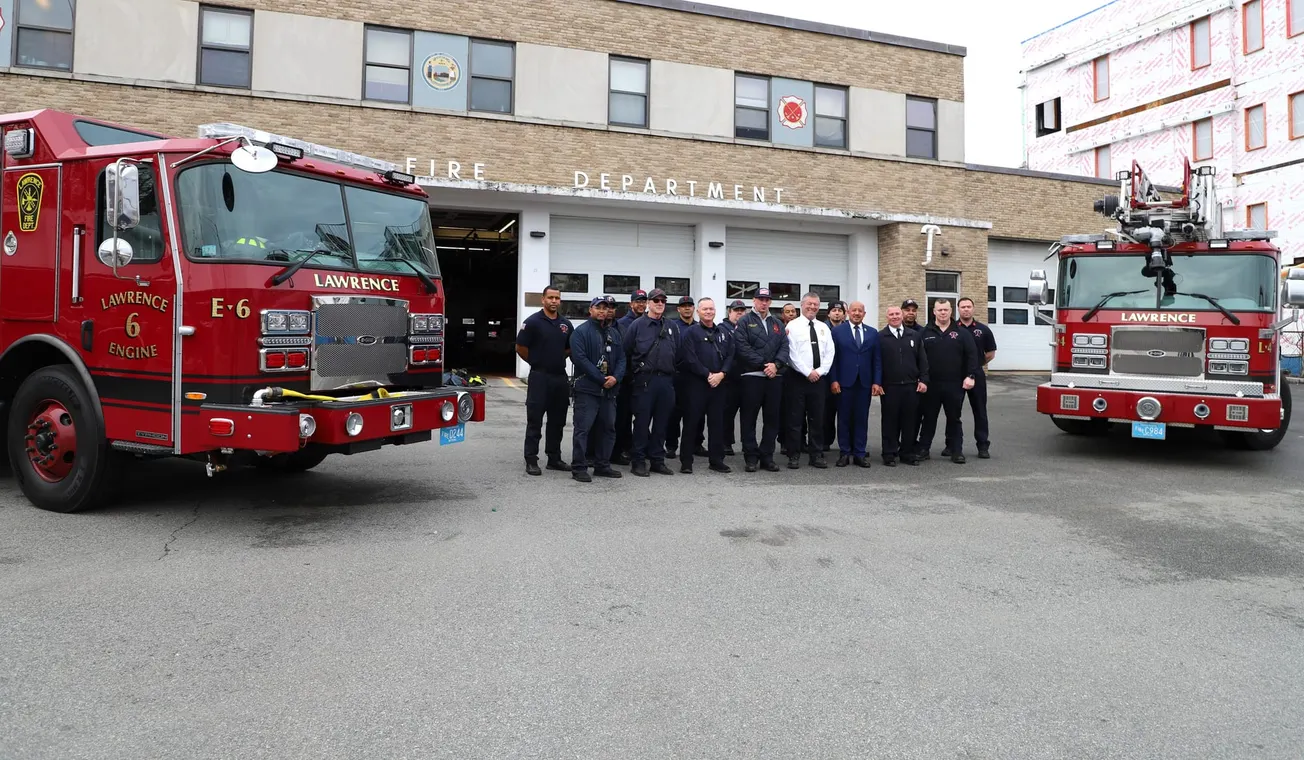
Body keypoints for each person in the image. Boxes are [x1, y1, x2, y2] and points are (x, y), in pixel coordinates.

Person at [515, 285, 572, 476]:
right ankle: (531, 460)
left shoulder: (565, 324)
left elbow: (569, 348)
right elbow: (520, 347)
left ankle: (554, 458)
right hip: (539, 377)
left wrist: (556, 359)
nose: (554, 301)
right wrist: (537, 361)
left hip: (560, 378)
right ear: (543, 299)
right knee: (535, 421)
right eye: (550, 298)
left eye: (557, 298)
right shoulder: (532, 322)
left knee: (557, 421)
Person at [569, 296, 625, 482]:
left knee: (608, 429)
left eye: (605, 308)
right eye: (598, 307)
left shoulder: (614, 333)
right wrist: (601, 379)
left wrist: (616, 378)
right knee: (583, 430)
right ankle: (579, 467)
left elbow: (622, 358)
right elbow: (580, 359)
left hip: (609, 392)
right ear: (590, 310)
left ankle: (602, 465)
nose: (602, 311)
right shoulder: (580, 332)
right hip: (587, 390)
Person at [733, 288, 789, 472]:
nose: (764, 303)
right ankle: (751, 457)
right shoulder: (744, 321)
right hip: (752, 377)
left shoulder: (777, 323)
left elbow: (785, 346)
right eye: (760, 299)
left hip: (774, 378)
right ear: (754, 301)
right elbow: (742, 347)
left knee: (772, 419)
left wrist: (776, 365)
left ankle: (767, 456)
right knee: (748, 419)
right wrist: (765, 364)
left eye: (767, 300)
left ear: (770, 302)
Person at [916, 299, 979, 464]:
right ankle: (923, 449)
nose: (943, 313)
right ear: (934, 312)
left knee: (954, 418)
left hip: (954, 384)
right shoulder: (924, 333)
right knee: (929, 418)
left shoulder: (962, 333)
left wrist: (970, 376)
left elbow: (972, 356)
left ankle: (956, 451)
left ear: (951, 311)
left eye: (946, 310)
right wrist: (920, 378)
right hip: (931, 384)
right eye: (940, 310)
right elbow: (917, 357)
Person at [625, 288, 679, 476]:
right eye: (656, 300)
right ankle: (638, 461)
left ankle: (657, 460)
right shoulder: (637, 326)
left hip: (666, 381)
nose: (660, 304)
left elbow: (677, 352)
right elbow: (627, 351)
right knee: (642, 423)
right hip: (645, 381)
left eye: (663, 301)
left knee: (662, 423)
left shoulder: (671, 326)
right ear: (648, 303)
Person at [677, 297, 735, 474]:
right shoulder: (691, 332)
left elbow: (731, 355)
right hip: (697, 385)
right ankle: (686, 462)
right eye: (705, 309)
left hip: (719, 384)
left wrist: (722, 374)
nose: (708, 312)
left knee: (717, 424)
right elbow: (689, 357)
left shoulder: (723, 332)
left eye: (711, 309)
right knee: (691, 423)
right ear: (698, 312)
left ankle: (716, 460)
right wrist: (707, 375)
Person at [783, 292, 836, 469]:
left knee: (817, 419)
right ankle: (794, 454)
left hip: (818, 380)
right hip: (797, 378)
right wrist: (807, 372)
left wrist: (819, 372)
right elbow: (791, 354)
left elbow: (830, 352)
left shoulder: (823, 327)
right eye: (809, 304)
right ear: (802, 304)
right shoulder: (792, 326)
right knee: (795, 419)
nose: (812, 307)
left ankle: (816, 455)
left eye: (815, 305)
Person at [828, 301, 882, 468]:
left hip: (864, 383)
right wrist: (833, 380)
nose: (857, 313)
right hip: (844, 382)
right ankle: (844, 452)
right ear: (848, 313)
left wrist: (876, 382)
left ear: (864, 314)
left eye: (860, 311)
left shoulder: (872, 333)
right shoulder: (837, 332)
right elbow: (832, 358)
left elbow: (877, 360)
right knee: (843, 418)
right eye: (854, 310)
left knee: (861, 418)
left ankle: (859, 453)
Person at [878, 305, 929, 466]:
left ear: (901, 315)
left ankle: (907, 453)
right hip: (889, 387)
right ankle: (889, 453)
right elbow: (877, 363)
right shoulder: (880, 337)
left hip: (911, 386)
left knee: (910, 421)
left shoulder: (914, 335)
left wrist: (924, 380)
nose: (894, 316)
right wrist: (877, 382)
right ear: (887, 317)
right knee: (890, 421)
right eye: (891, 314)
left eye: (897, 314)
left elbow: (922, 360)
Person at [956, 297, 997, 459]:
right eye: (963, 307)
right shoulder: (952, 329)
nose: (966, 309)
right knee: (953, 411)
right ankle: (951, 445)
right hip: (956, 375)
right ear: (958, 309)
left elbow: (990, 353)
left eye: (968, 306)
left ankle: (982, 445)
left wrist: (976, 366)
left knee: (980, 411)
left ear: (973, 309)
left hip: (977, 375)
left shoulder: (983, 330)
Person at [611, 289, 647, 465]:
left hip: (643, 378)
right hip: (626, 378)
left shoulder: (650, 322)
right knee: (623, 417)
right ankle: (621, 450)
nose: (641, 304)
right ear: (631, 304)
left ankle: (639, 448)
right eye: (638, 301)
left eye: (643, 301)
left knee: (642, 416)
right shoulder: (622, 324)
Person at [665, 295, 698, 459]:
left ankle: (697, 444)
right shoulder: (673, 326)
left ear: (694, 308)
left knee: (696, 413)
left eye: (689, 306)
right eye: (683, 306)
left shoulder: (699, 327)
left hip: (695, 376)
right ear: (678, 309)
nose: (687, 308)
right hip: (677, 375)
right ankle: (671, 445)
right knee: (674, 413)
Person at [720, 300, 748, 456]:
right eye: (736, 310)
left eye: (742, 310)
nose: (739, 313)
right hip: (729, 379)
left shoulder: (749, 328)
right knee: (727, 413)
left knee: (747, 414)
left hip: (747, 378)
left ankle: (747, 444)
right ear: (729, 312)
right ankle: (726, 443)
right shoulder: (722, 329)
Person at [821, 301, 848, 452]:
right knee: (827, 412)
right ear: (828, 313)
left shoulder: (849, 329)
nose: (837, 313)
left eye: (840, 311)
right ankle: (825, 442)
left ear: (844, 314)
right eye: (834, 310)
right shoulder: (822, 329)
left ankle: (848, 444)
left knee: (846, 413)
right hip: (826, 376)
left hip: (845, 376)